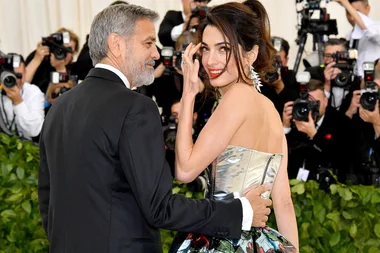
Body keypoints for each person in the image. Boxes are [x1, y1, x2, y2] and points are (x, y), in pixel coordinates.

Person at [38, 4, 274, 253]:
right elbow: (160, 208)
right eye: (149, 43)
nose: (156, 54)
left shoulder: (59, 108)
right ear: (117, 44)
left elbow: (47, 199)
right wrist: (241, 212)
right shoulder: (135, 107)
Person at [170, 0, 298, 252]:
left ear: (250, 54)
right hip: (259, 243)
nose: (210, 60)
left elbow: (185, 171)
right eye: (205, 49)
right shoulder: (269, 109)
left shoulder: (236, 98)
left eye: (223, 49)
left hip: (223, 240)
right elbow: (283, 202)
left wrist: (188, 94)